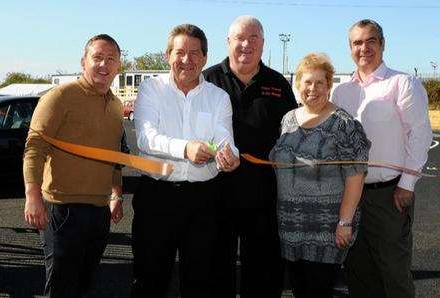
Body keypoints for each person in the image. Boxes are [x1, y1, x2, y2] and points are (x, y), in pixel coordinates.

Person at [131, 24, 239, 298]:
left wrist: (230, 156)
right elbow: (146, 138)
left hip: (204, 201)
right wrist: (185, 148)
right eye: (180, 52)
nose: (187, 60)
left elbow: (225, 138)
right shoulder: (150, 89)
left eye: (194, 53)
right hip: (157, 198)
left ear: (205, 57)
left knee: (200, 282)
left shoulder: (218, 97)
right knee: (149, 280)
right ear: (167, 55)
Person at [331, 19, 433, 298]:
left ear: (382, 44)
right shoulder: (341, 92)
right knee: (358, 273)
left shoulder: (402, 83)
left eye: (370, 41)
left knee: (394, 275)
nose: (364, 48)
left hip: (388, 195)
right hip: (349, 196)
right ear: (349, 48)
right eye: (357, 42)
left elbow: (420, 135)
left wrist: (407, 184)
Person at [23, 34, 124, 297]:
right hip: (62, 209)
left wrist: (116, 194)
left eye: (111, 59)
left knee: (84, 285)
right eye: (97, 58)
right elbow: (34, 147)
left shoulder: (115, 105)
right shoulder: (60, 96)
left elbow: (114, 156)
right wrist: (32, 196)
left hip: (99, 211)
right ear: (83, 62)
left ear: (119, 66)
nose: (104, 64)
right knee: (60, 288)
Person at [204, 15, 297, 297]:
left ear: (263, 43)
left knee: (264, 271)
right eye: (239, 38)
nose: (246, 44)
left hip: (264, 196)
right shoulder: (207, 79)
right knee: (216, 269)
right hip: (215, 194)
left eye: (253, 38)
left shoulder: (278, 83)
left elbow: (292, 134)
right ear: (228, 42)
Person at [270, 53, 370, 298]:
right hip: (291, 224)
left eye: (319, 83)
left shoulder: (343, 124)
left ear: (329, 86)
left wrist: (344, 222)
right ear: (298, 85)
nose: (312, 88)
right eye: (307, 82)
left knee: (318, 289)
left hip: (326, 228)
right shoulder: (288, 120)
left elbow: (356, 176)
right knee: (299, 288)